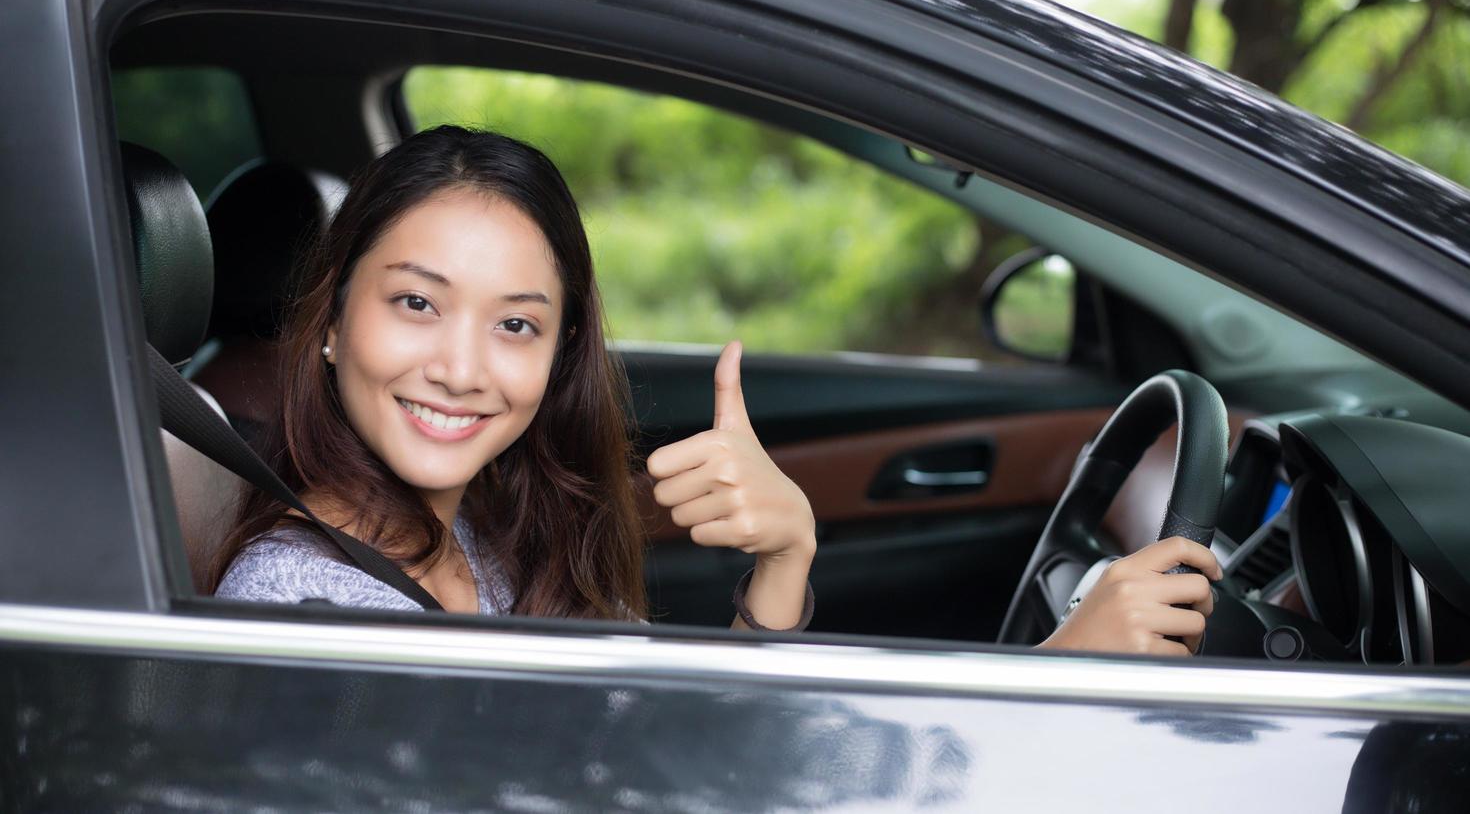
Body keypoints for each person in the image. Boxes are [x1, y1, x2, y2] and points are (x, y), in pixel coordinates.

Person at [213, 124, 1220, 649]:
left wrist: (785, 555)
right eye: (418, 304)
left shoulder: (477, 526)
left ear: (560, 353)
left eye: (515, 322)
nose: (465, 367)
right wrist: (1064, 677)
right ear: (335, 321)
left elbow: (676, 754)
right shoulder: (313, 611)